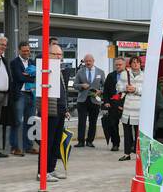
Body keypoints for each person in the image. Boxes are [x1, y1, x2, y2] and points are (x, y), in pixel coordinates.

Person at [41, 42, 70, 182]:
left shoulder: (59, 69)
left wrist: (65, 109)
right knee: (48, 141)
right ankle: (42, 172)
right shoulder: (45, 69)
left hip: (60, 109)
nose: (59, 57)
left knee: (56, 142)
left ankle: (51, 169)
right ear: (48, 54)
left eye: (60, 54)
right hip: (50, 110)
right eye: (55, 54)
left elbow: (63, 91)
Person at [9, 41, 35, 156]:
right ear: (19, 50)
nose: (26, 53)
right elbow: (19, 77)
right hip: (20, 94)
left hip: (31, 94)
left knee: (30, 121)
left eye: (28, 50)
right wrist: (31, 75)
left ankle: (28, 146)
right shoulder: (14, 63)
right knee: (17, 121)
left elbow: (37, 76)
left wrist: (28, 75)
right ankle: (14, 147)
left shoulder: (32, 62)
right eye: (24, 51)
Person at [73, 53, 103, 148]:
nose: (88, 63)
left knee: (93, 121)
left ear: (93, 61)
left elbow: (104, 85)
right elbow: (74, 85)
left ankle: (90, 141)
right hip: (82, 100)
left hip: (95, 100)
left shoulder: (100, 72)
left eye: (90, 61)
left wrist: (100, 91)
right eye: (86, 61)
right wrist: (81, 86)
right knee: (81, 121)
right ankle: (81, 141)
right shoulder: (80, 72)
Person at [120, 55, 143, 161]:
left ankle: (140, 154)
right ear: (130, 64)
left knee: (139, 133)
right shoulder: (125, 74)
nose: (135, 64)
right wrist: (125, 88)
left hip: (139, 109)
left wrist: (135, 89)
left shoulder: (145, 75)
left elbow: (148, 90)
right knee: (127, 132)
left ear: (140, 64)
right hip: (128, 108)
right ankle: (127, 153)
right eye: (133, 62)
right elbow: (118, 86)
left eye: (137, 62)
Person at [102, 57, 126, 151]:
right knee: (112, 124)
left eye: (120, 64)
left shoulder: (129, 75)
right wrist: (106, 102)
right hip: (113, 104)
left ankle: (131, 145)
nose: (118, 66)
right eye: (116, 65)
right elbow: (106, 91)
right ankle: (115, 143)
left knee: (128, 126)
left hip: (125, 104)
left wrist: (123, 104)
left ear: (124, 65)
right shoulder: (111, 76)